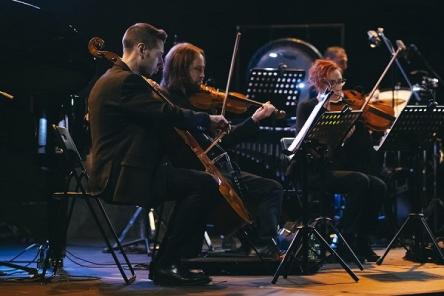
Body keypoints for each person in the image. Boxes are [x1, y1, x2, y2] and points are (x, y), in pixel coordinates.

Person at [88, 23, 230, 286]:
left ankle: (177, 261)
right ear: (141, 49)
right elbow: (165, 114)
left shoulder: (113, 78)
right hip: (122, 175)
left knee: (198, 181)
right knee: (204, 184)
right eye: (158, 54)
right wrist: (205, 119)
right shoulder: (126, 82)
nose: (161, 63)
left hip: (126, 169)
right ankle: (167, 264)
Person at [160, 42, 284, 258]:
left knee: (269, 187)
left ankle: (257, 245)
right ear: (181, 70)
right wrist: (253, 120)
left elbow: (218, 142)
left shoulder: (192, 102)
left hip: (216, 169)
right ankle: (261, 246)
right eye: (197, 69)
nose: (203, 76)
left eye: (203, 69)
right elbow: (214, 146)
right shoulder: (175, 105)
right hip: (198, 172)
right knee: (267, 189)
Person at [295, 59, 386, 262]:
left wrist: (360, 132)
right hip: (318, 170)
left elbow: (364, 149)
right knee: (360, 181)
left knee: (378, 185)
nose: (338, 87)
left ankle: (362, 241)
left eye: (340, 81)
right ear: (320, 84)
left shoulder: (348, 108)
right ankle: (344, 240)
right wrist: (336, 138)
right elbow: (305, 148)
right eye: (332, 83)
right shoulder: (308, 108)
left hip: (346, 167)